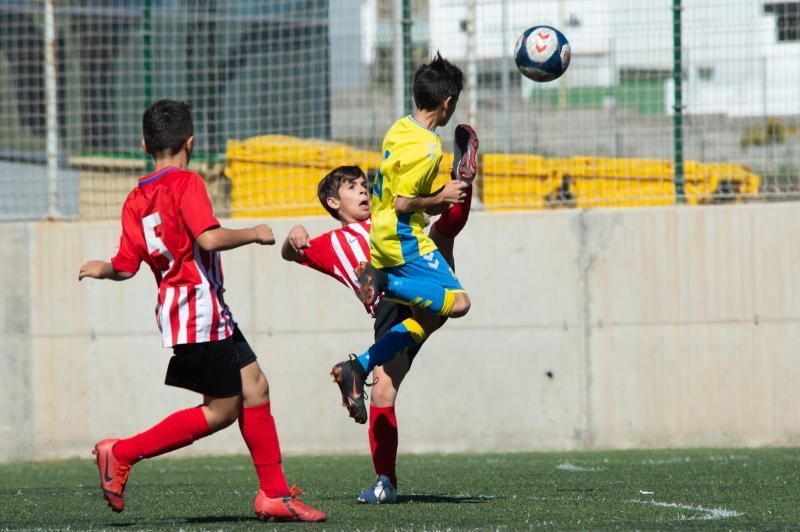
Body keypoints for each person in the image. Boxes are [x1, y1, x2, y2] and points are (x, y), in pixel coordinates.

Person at [77, 99, 326, 522]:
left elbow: (125, 266)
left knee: (256, 387)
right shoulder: (187, 184)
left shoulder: (135, 199)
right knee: (222, 410)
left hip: (196, 311)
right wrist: (253, 233)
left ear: (144, 144)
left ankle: (273, 493)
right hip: (200, 312)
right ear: (190, 142)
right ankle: (119, 453)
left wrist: (101, 269)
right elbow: (208, 239)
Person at [281, 162, 474, 503]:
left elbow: (424, 214)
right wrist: (293, 233)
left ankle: (360, 367)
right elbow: (289, 253)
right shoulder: (329, 244)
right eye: (352, 187)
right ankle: (385, 482)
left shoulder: (385, 218)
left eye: (364, 185)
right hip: (390, 308)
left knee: (443, 239)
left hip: (407, 284)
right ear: (332, 202)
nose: (362, 190)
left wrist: (438, 198)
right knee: (384, 393)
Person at [329, 53, 478, 429]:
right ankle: (386, 283)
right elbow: (404, 202)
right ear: (447, 103)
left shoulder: (399, 128)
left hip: (381, 235)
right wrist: (440, 198)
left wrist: (437, 193)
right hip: (403, 238)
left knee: (426, 319)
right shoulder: (428, 147)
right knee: (458, 304)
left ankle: (358, 365)